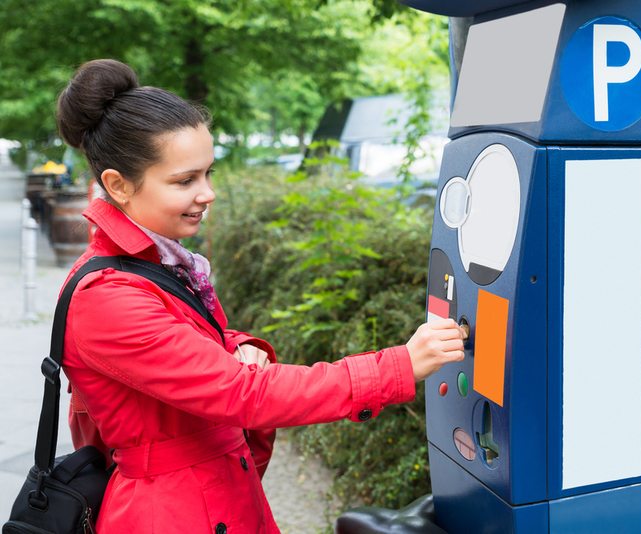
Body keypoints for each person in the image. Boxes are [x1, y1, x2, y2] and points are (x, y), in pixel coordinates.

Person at [56, 59, 466, 534]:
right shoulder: (107, 297)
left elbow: (180, 350)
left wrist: (233, 346)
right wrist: (397, 366)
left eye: (209, 173)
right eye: (184, 181)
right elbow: (241, 394)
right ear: (117, 185)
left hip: (213, 497)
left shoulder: (154, 264)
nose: (207, 193)